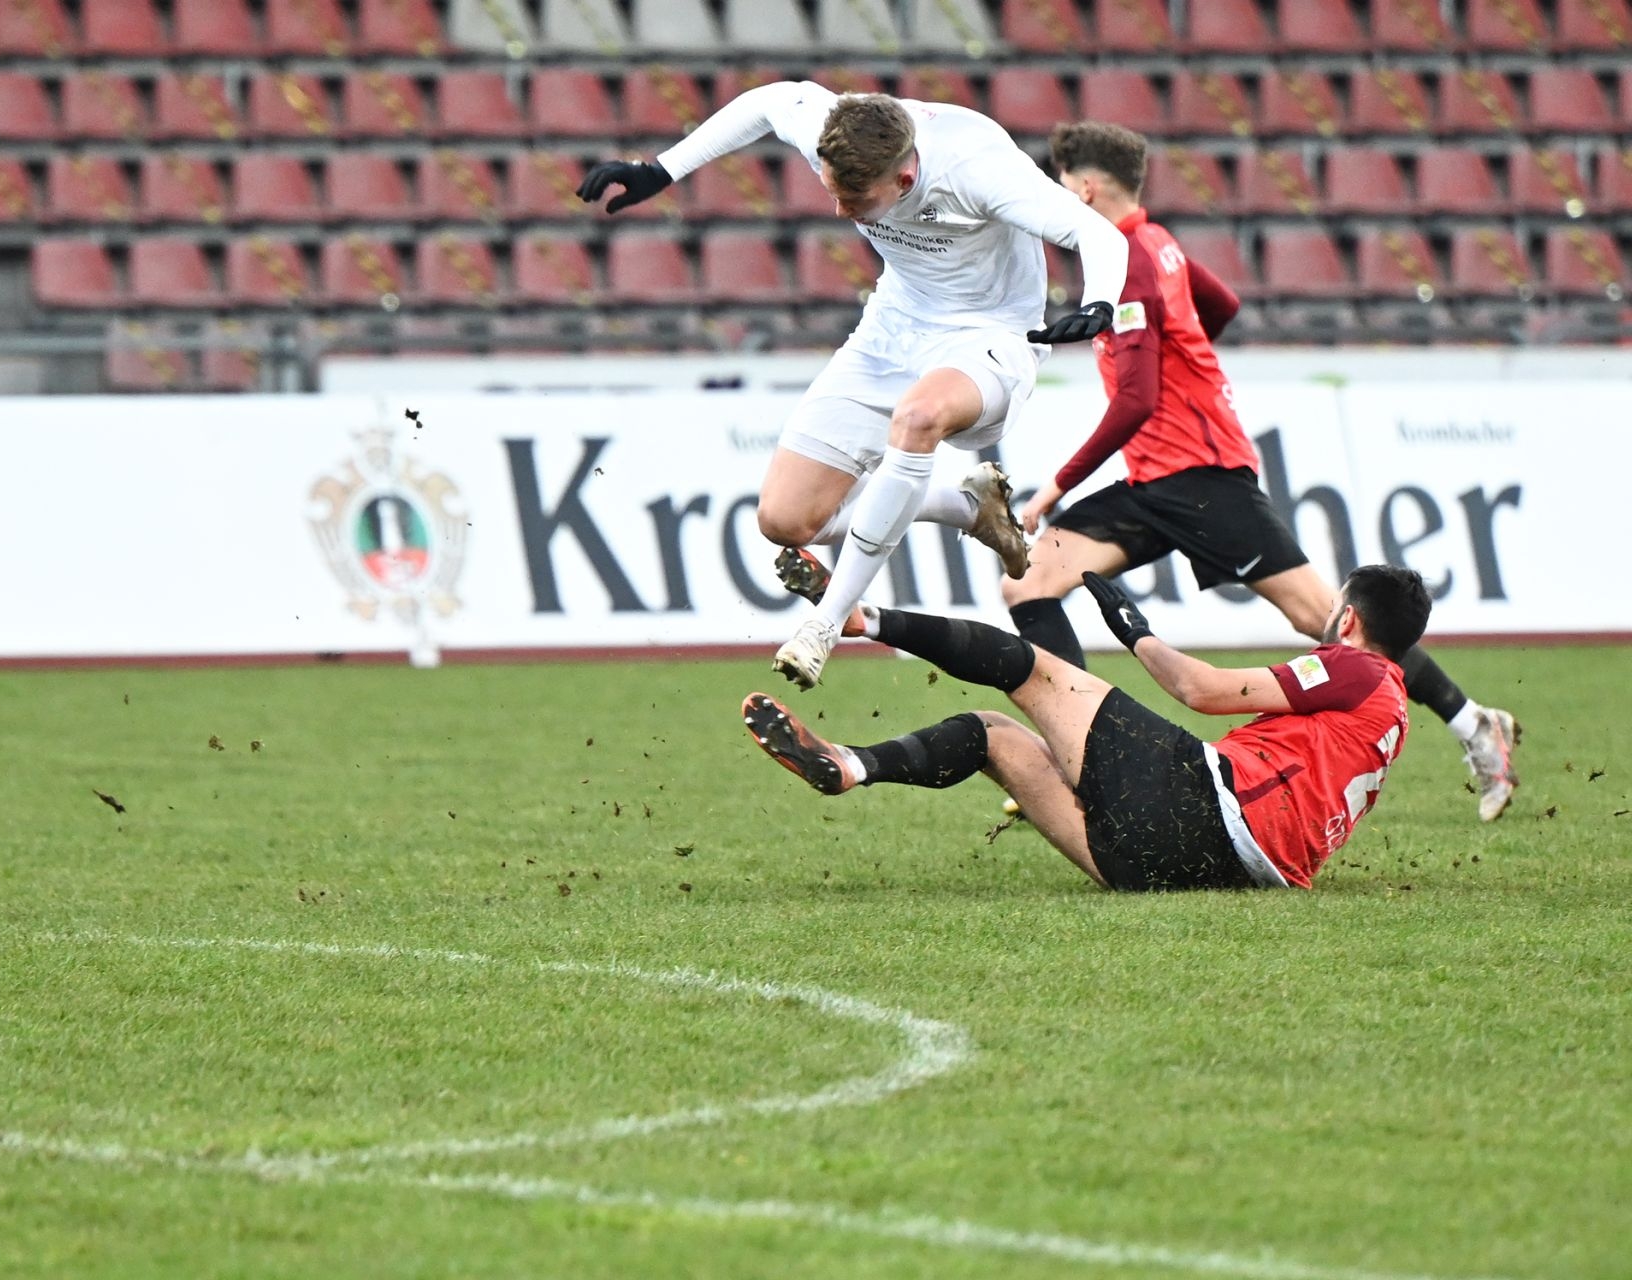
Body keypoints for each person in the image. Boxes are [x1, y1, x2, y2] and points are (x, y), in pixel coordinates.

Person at [1000, 121, 1519, 821]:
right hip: (1156, 482)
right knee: (1028, 582)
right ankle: (1081, 754)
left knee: (1328, 621)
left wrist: (1054, 489)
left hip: (1206, 477)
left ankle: (1474, 724)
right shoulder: (1158, 244)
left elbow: (1136, 400)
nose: (1061, 198)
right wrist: (1184, 352)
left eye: (1064, 186)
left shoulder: (1131, 260)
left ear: (1086, 187)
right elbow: (1222, 305)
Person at [577, 84, 1128, 691]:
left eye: (855, 198)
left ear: (905, 175)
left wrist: (1100, 300)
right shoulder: (836, 131)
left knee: (918, 419)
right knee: (786, 520)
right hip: (893, 328)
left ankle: (826, 623)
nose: (841, 212)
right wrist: (661, 169)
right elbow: (770, 101)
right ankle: (967, 508)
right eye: (832, 191)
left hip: (989, 337)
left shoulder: (978, 167)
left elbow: (1099, 234)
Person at [741, 564, 1431, 892]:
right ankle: (850, 763)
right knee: (991, 735)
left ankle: (863, 620)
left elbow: (1201, 689)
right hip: (1200, 873)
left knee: (1029, 668)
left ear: (1349, 622)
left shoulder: (1355, 669)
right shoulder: (1391, 711)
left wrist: (1135, 632)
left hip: (1204, 812)